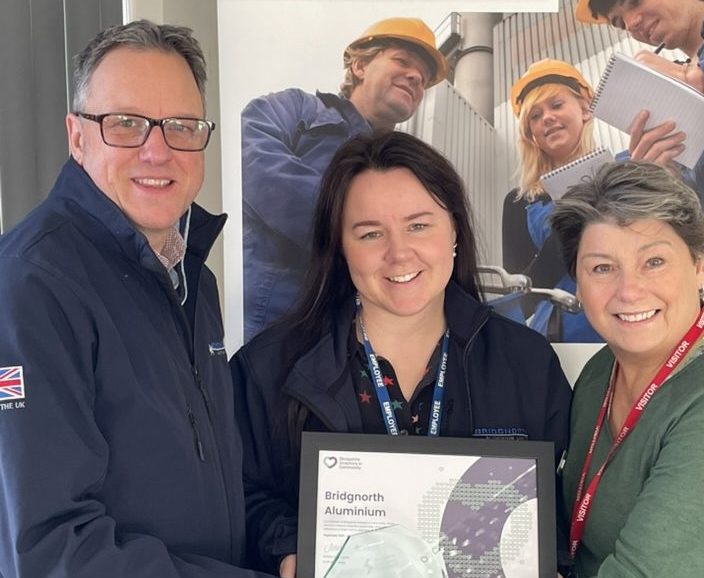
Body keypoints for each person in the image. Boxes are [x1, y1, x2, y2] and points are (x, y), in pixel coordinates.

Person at [231, 131, 574, 577]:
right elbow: (240, 493)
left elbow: (560, 511)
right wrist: (292, 547)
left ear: (453, 229)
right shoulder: (269, 367)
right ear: (339, 246)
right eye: (371, 233)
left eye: (418, 225)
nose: (398, 254)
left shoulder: (527, 362)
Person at [0, 20, 273, 578]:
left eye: (181, 125)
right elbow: (51, 551)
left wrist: (283, 544)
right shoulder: (30, 285)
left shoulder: (192, 278)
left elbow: (218, 477)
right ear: (77, 137)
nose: (158, 150)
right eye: (125, 124)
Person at [550, 161, 704, 577]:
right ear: (578, 283)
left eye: (653, 262)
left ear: (698, 266)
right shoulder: (601, 373)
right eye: (602, 268)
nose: (629, 290)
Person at [240, 17, 449, 340]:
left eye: (422, 78)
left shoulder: (410, 164)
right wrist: (351, 226)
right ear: (360, 66)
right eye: (403, 61)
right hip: (277, 319)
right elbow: (252, 158)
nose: (415, 78)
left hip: (357, 335)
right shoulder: (297, 110)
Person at [576, 0, 704, 205]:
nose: (630, 24)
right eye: (620, 23)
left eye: (633, 1)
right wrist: (670, 183)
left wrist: (692, 77)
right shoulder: (672, 98)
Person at [506, 59, 604, 342]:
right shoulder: (519, 203)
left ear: (585, 110)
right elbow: (518, 299)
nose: (547, 117)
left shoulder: (627, 168)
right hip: (563, 336)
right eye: (535, 116)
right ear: (531, 135)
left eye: (556, 105)